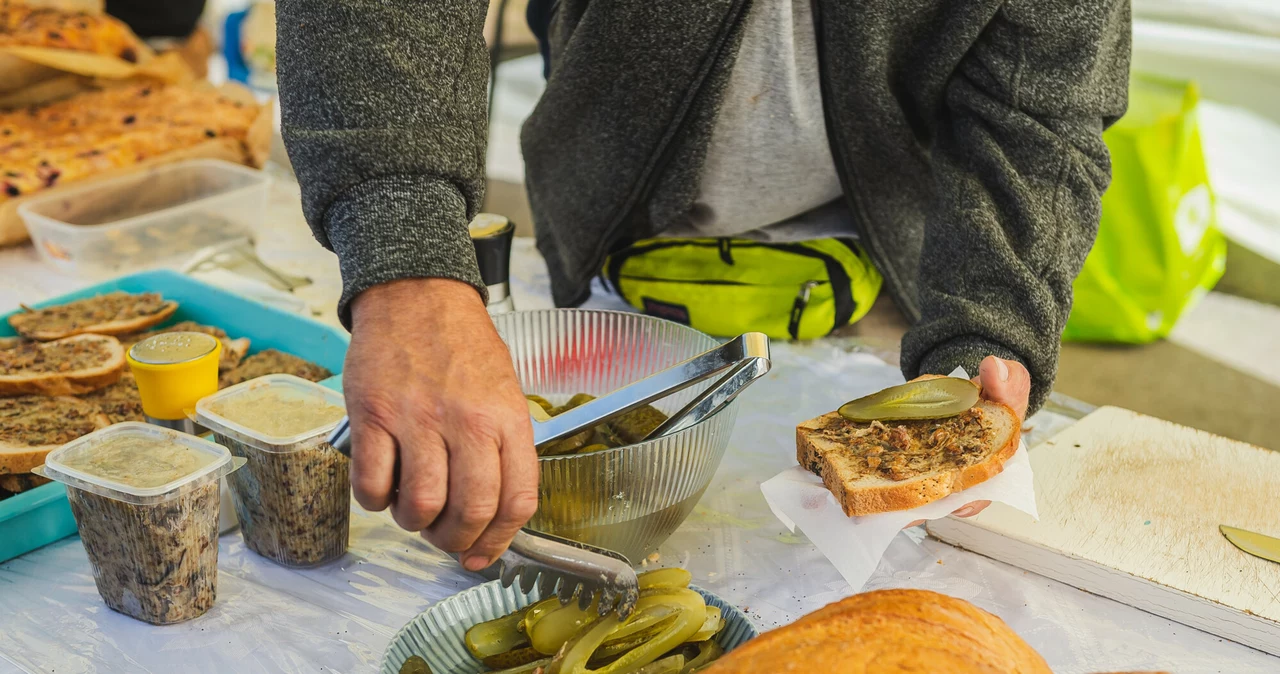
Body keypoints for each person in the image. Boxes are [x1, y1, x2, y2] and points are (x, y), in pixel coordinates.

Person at [275, 0, 1130, 571]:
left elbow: (1039, 99)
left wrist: (993, 317)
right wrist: (410, 268)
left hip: (901, 280)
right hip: (609, 251)